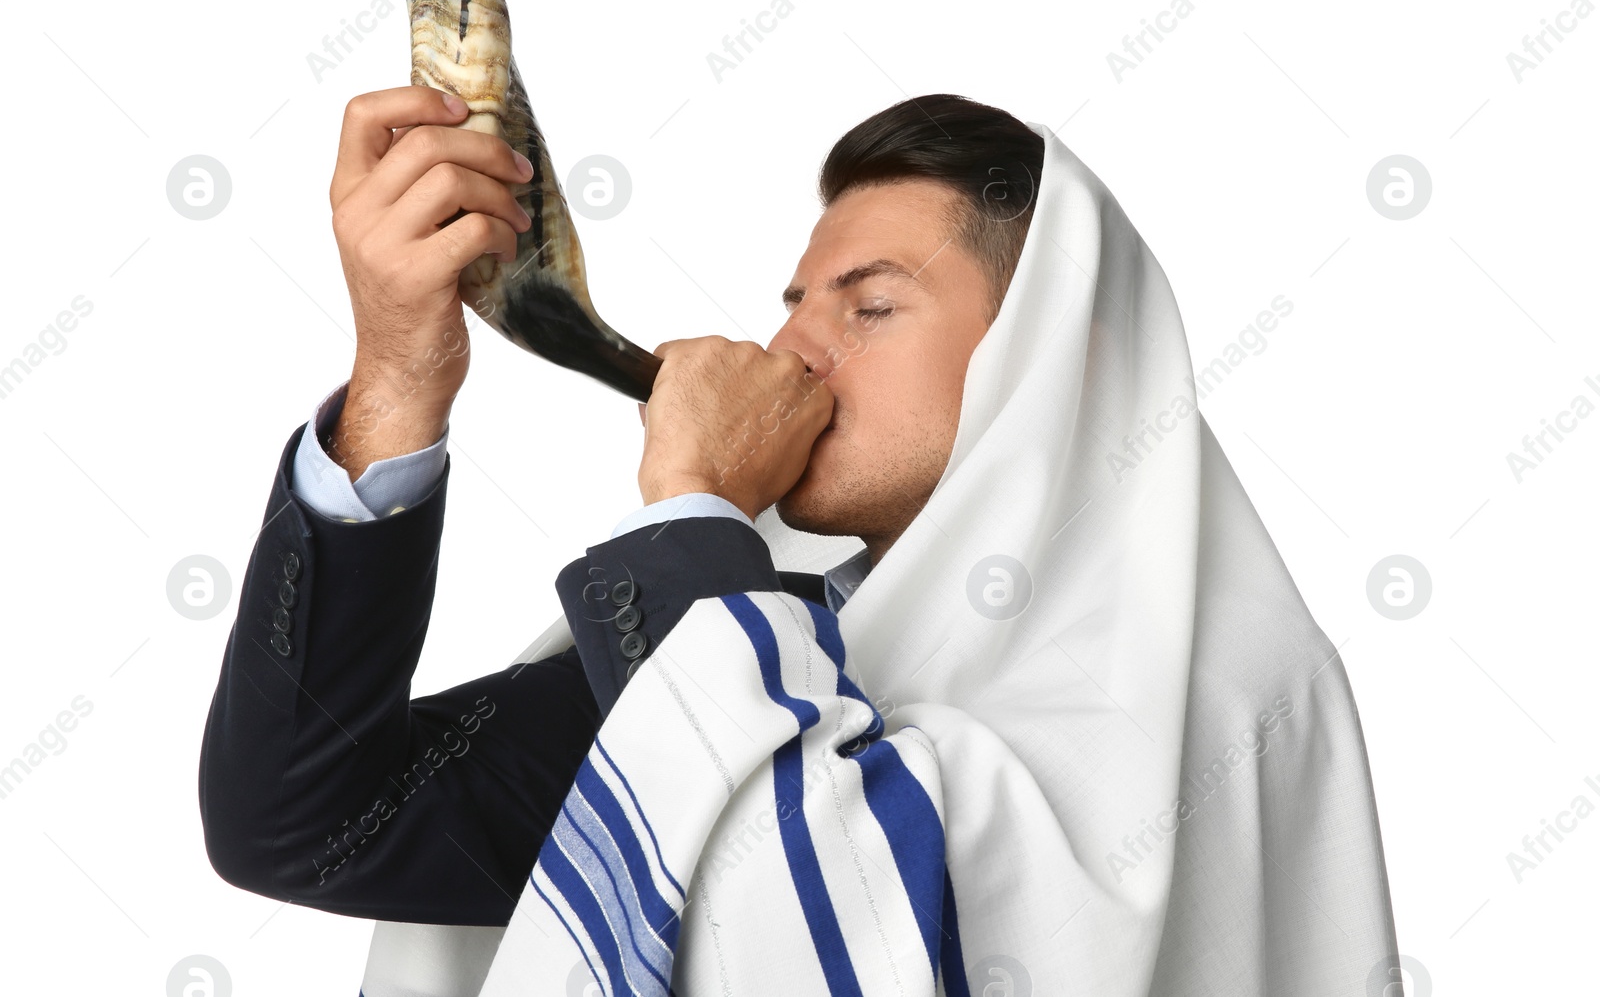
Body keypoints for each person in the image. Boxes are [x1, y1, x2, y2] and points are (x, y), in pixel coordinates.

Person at [199, 91, 1399, 996]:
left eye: (869, 307)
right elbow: (310, 823)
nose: (794, 354)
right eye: (794, 306)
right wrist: (400, 379)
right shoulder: (770, 641)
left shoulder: (1228, 699)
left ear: (1057, 356)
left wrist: (692, 503)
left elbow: (829, 925)